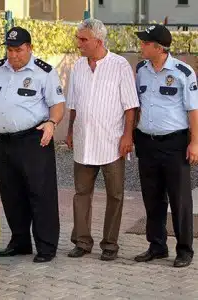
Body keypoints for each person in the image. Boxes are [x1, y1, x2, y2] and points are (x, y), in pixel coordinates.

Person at [0, 26, 65, 263]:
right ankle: (20, 242)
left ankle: (46, 246)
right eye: (9, 49)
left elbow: (57, 104)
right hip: (3, 143)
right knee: (11, 194)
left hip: (33, 141)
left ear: (30, 48)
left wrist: (52, 123)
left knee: (40, 193)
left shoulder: (44, 72)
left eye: (18, 50)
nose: (13, 55)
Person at [66, 19, 139, 261]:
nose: (79, 44)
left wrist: (127, 136)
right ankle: (82, 241)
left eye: (83, 39)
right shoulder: (77, 67)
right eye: (78, 38)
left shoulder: (119, 65)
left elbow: (130, 106)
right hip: (84, 141)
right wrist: (69, 131)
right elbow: (73, 105)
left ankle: (110, 245)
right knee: (81, 193)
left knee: (115, 195)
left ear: (98, 41)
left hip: (111, 143)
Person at [134, 24, 198, 268]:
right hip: (147, 142)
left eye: (145, 43)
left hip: (174, 143)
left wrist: (195, 142)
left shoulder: (183, 72)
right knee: (152, 197)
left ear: (158, 48)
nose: (141, 46)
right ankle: (157, 246)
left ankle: (184, 250)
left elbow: (193, 110)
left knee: (179, 199)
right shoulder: (141, 69)